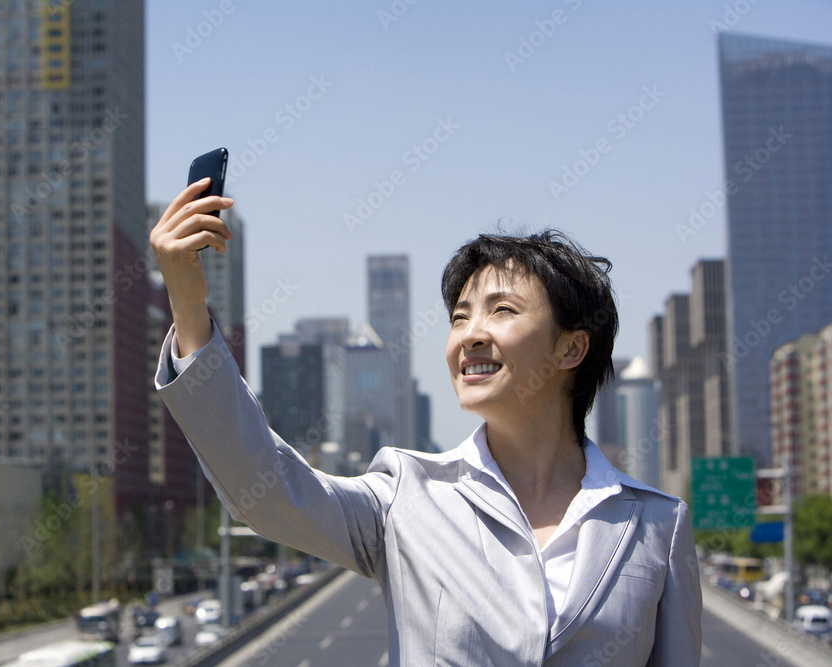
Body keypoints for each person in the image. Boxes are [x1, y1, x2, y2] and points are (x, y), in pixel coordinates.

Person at [150, 178, 702, 665]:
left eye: (502, 311)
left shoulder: (657, 525)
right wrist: (190, 309)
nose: (469, 334)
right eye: (460, 316)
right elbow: (264, 491)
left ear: (571, 348)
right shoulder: (405, 498)